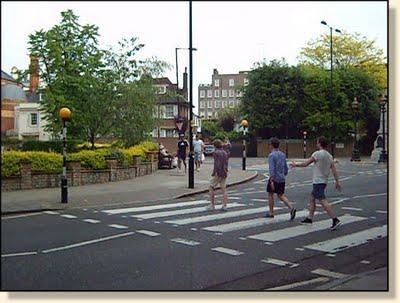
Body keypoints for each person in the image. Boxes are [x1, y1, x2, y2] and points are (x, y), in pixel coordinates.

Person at [290, 136, 342, 230]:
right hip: (324, 181)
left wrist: (295, 164)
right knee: (312, 199)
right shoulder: (329, 156)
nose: (316, 144)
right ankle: (310, 218)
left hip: (318, 181)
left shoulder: (317, 154)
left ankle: (335, 219)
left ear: (320, 143)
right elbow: (334, 170)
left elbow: (306, 164)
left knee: (322, 200)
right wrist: (337, 181)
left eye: (317, 142)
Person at [266, 138, 296, 220]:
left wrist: (271, 180)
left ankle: (271, 212)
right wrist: (284, 174)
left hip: (274, 178)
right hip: (282, 178)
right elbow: (285, 168)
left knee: (270, 193)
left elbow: (272, 169)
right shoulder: (282, 155)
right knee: (281, 195)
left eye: (269, 144)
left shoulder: (271, 155)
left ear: (271, 145)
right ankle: (291, 207)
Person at [208, 139, 229, 211]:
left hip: (218, 172)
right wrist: (226, 170)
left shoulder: (216, 153)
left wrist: (215, 172)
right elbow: (226, 163)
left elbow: (216, 164)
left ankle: (212, 205)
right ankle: (225, 205)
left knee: (211, 187)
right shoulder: (225, 152)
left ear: (215, 146)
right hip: (224, 172)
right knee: (224, 189)